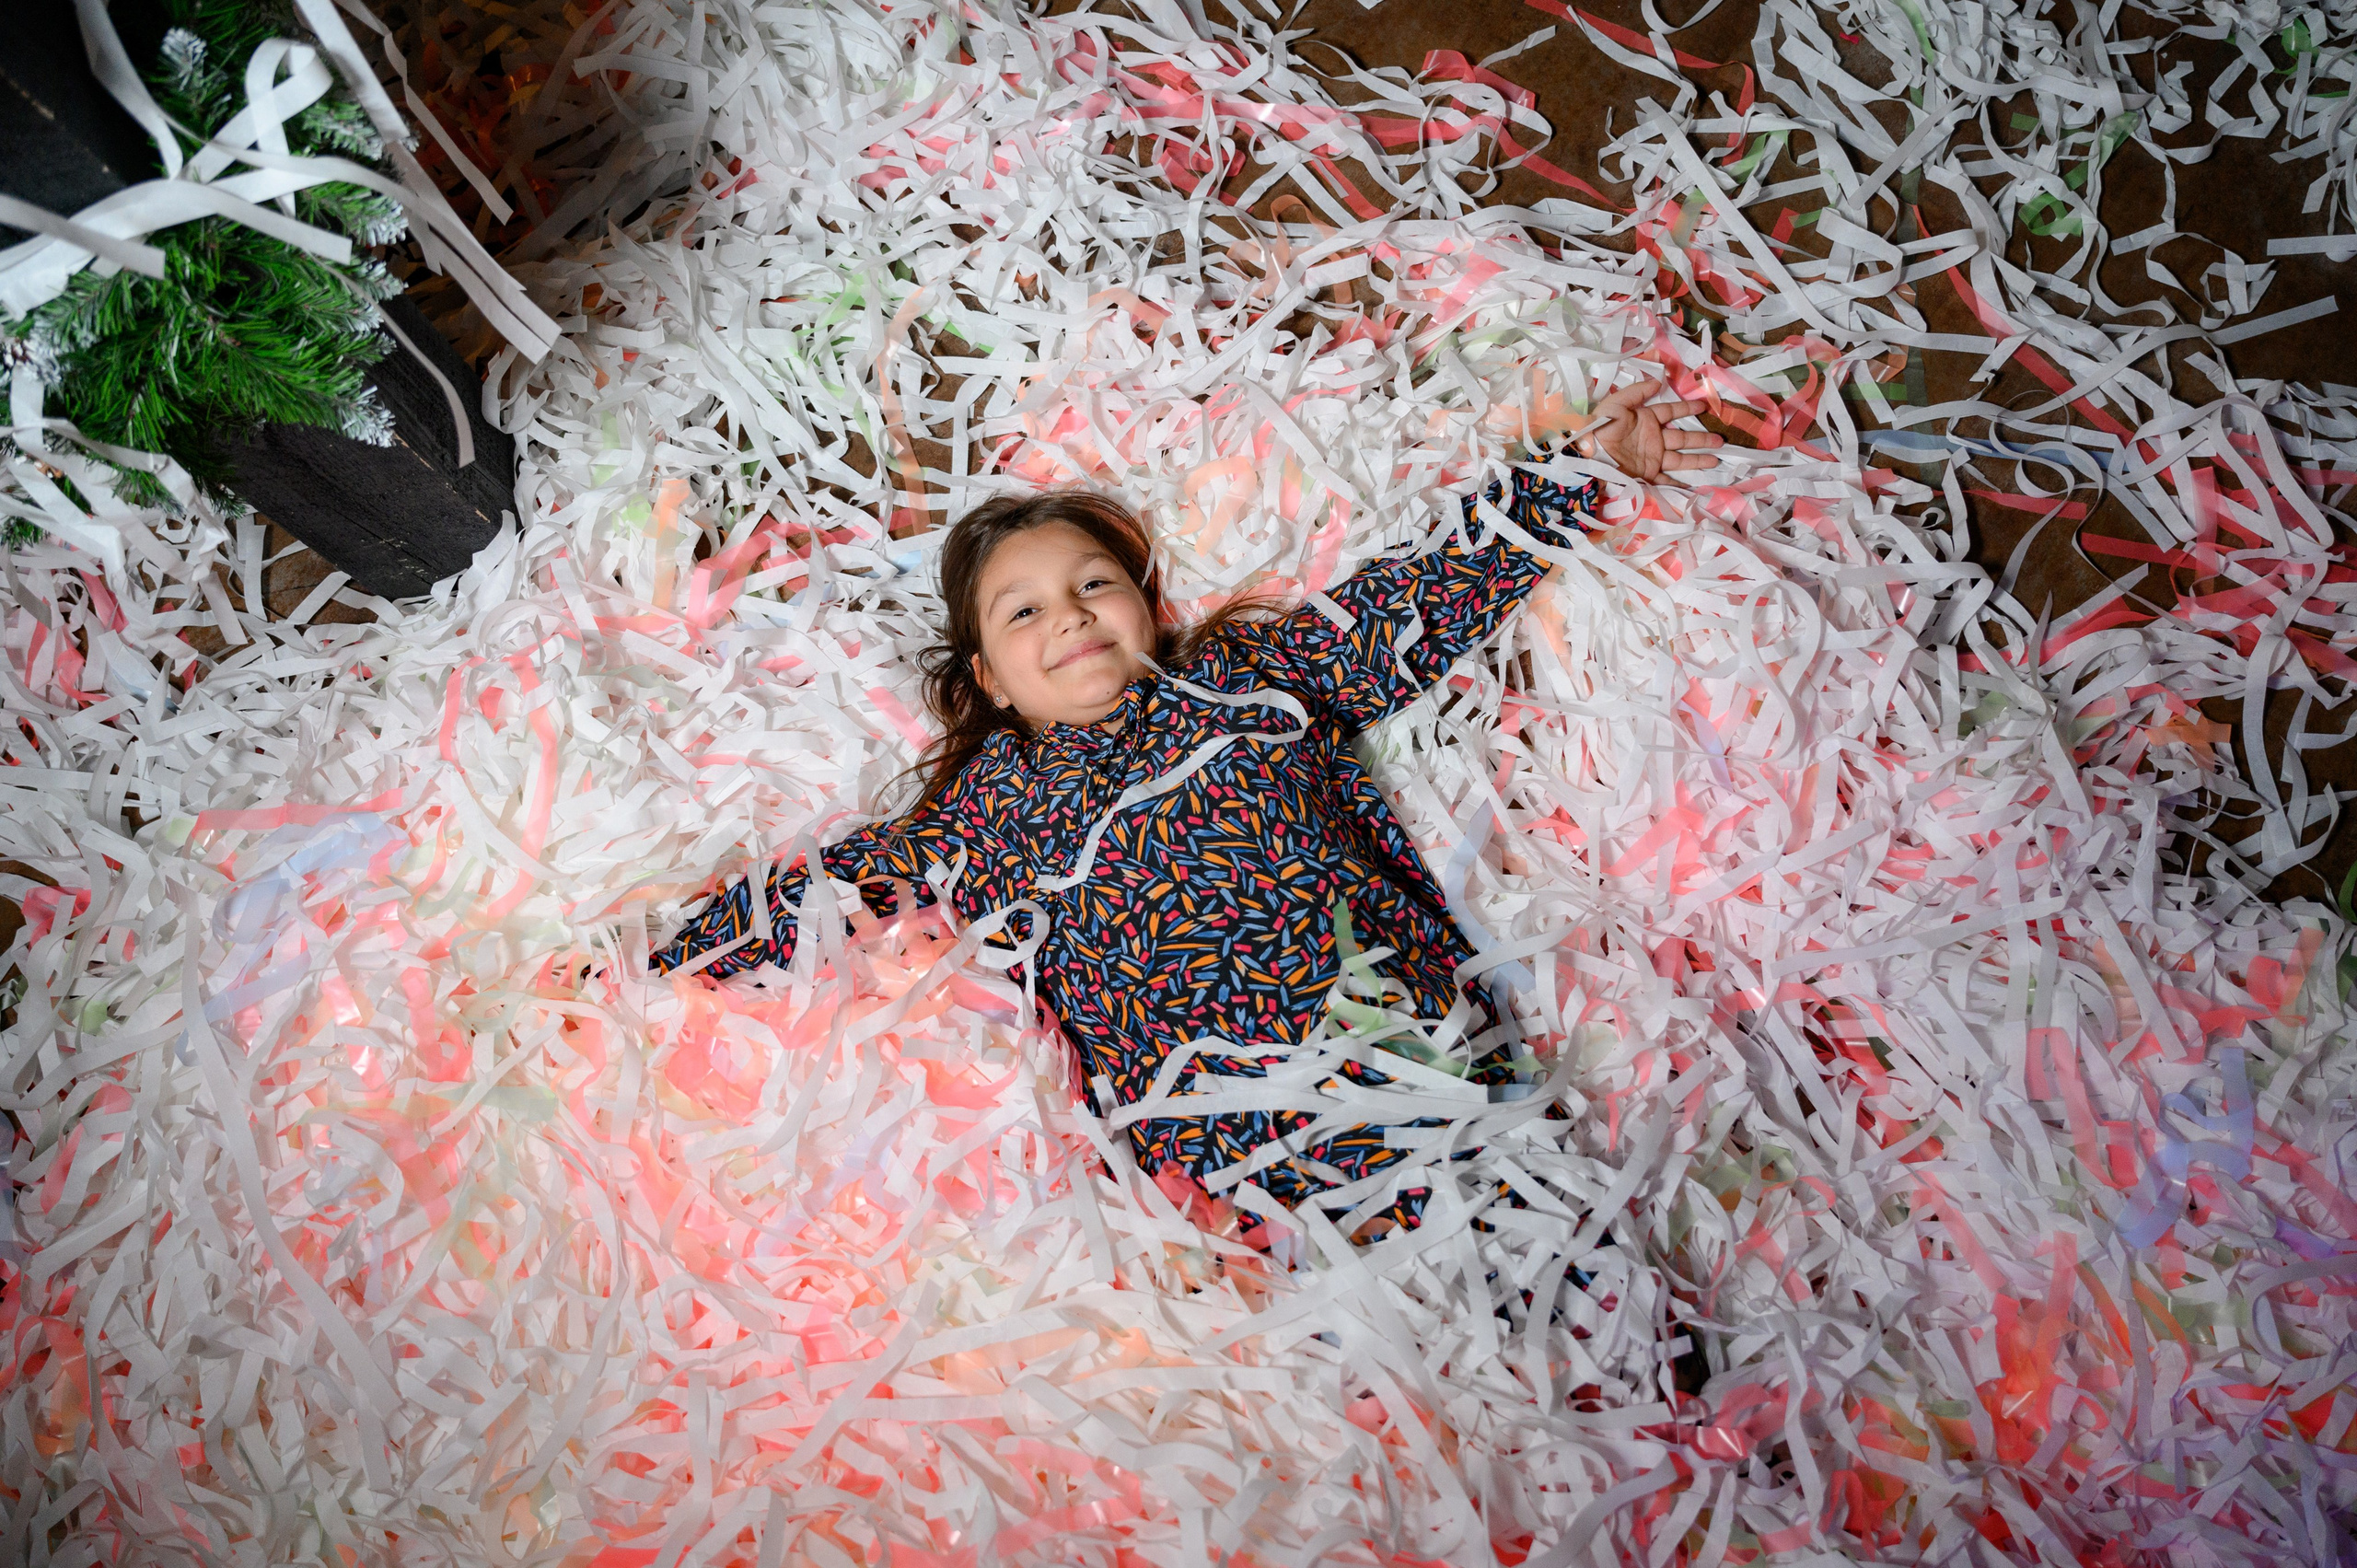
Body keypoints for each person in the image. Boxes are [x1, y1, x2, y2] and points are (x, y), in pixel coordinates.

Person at [653, 379, 1722, 1235]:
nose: (1069, 615)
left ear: (1150, 611)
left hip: (1396, 1043)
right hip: (1226, 1133)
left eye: (1094, 584)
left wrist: (1573, 476)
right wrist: (645, 962)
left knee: (1557, 1276)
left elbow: (1409, 606)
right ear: (988, 679)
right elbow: (828, 893)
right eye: (1024, 611)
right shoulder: (981, 816)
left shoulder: (1247, 679)